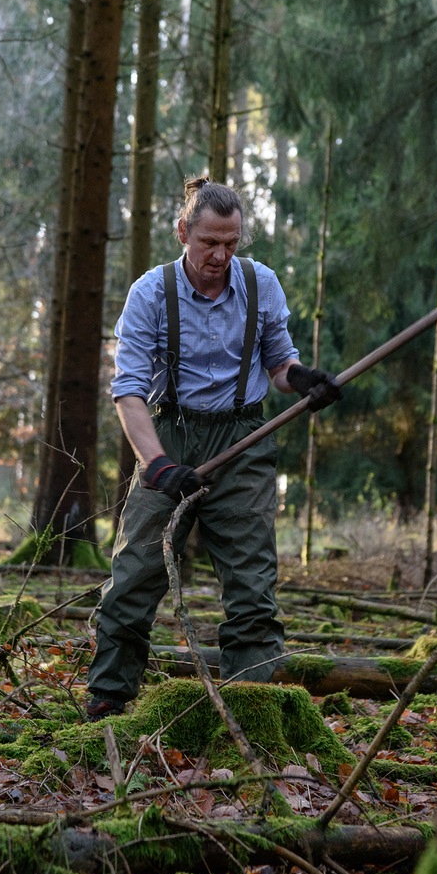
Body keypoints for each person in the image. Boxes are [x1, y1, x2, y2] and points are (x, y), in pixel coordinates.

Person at [86, 176, 341, 720]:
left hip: (244, 440)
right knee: (135, 572)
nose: (220, 255)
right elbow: (128, 392)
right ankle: (110, 696)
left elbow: (278, 365)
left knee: (251, 584)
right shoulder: (150, 293)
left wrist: (305, 380)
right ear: (183, 232)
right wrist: (157, 466)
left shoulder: (260, 283)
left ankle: (253, 708)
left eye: (230, 243)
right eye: (209, 243)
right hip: (169, 436)